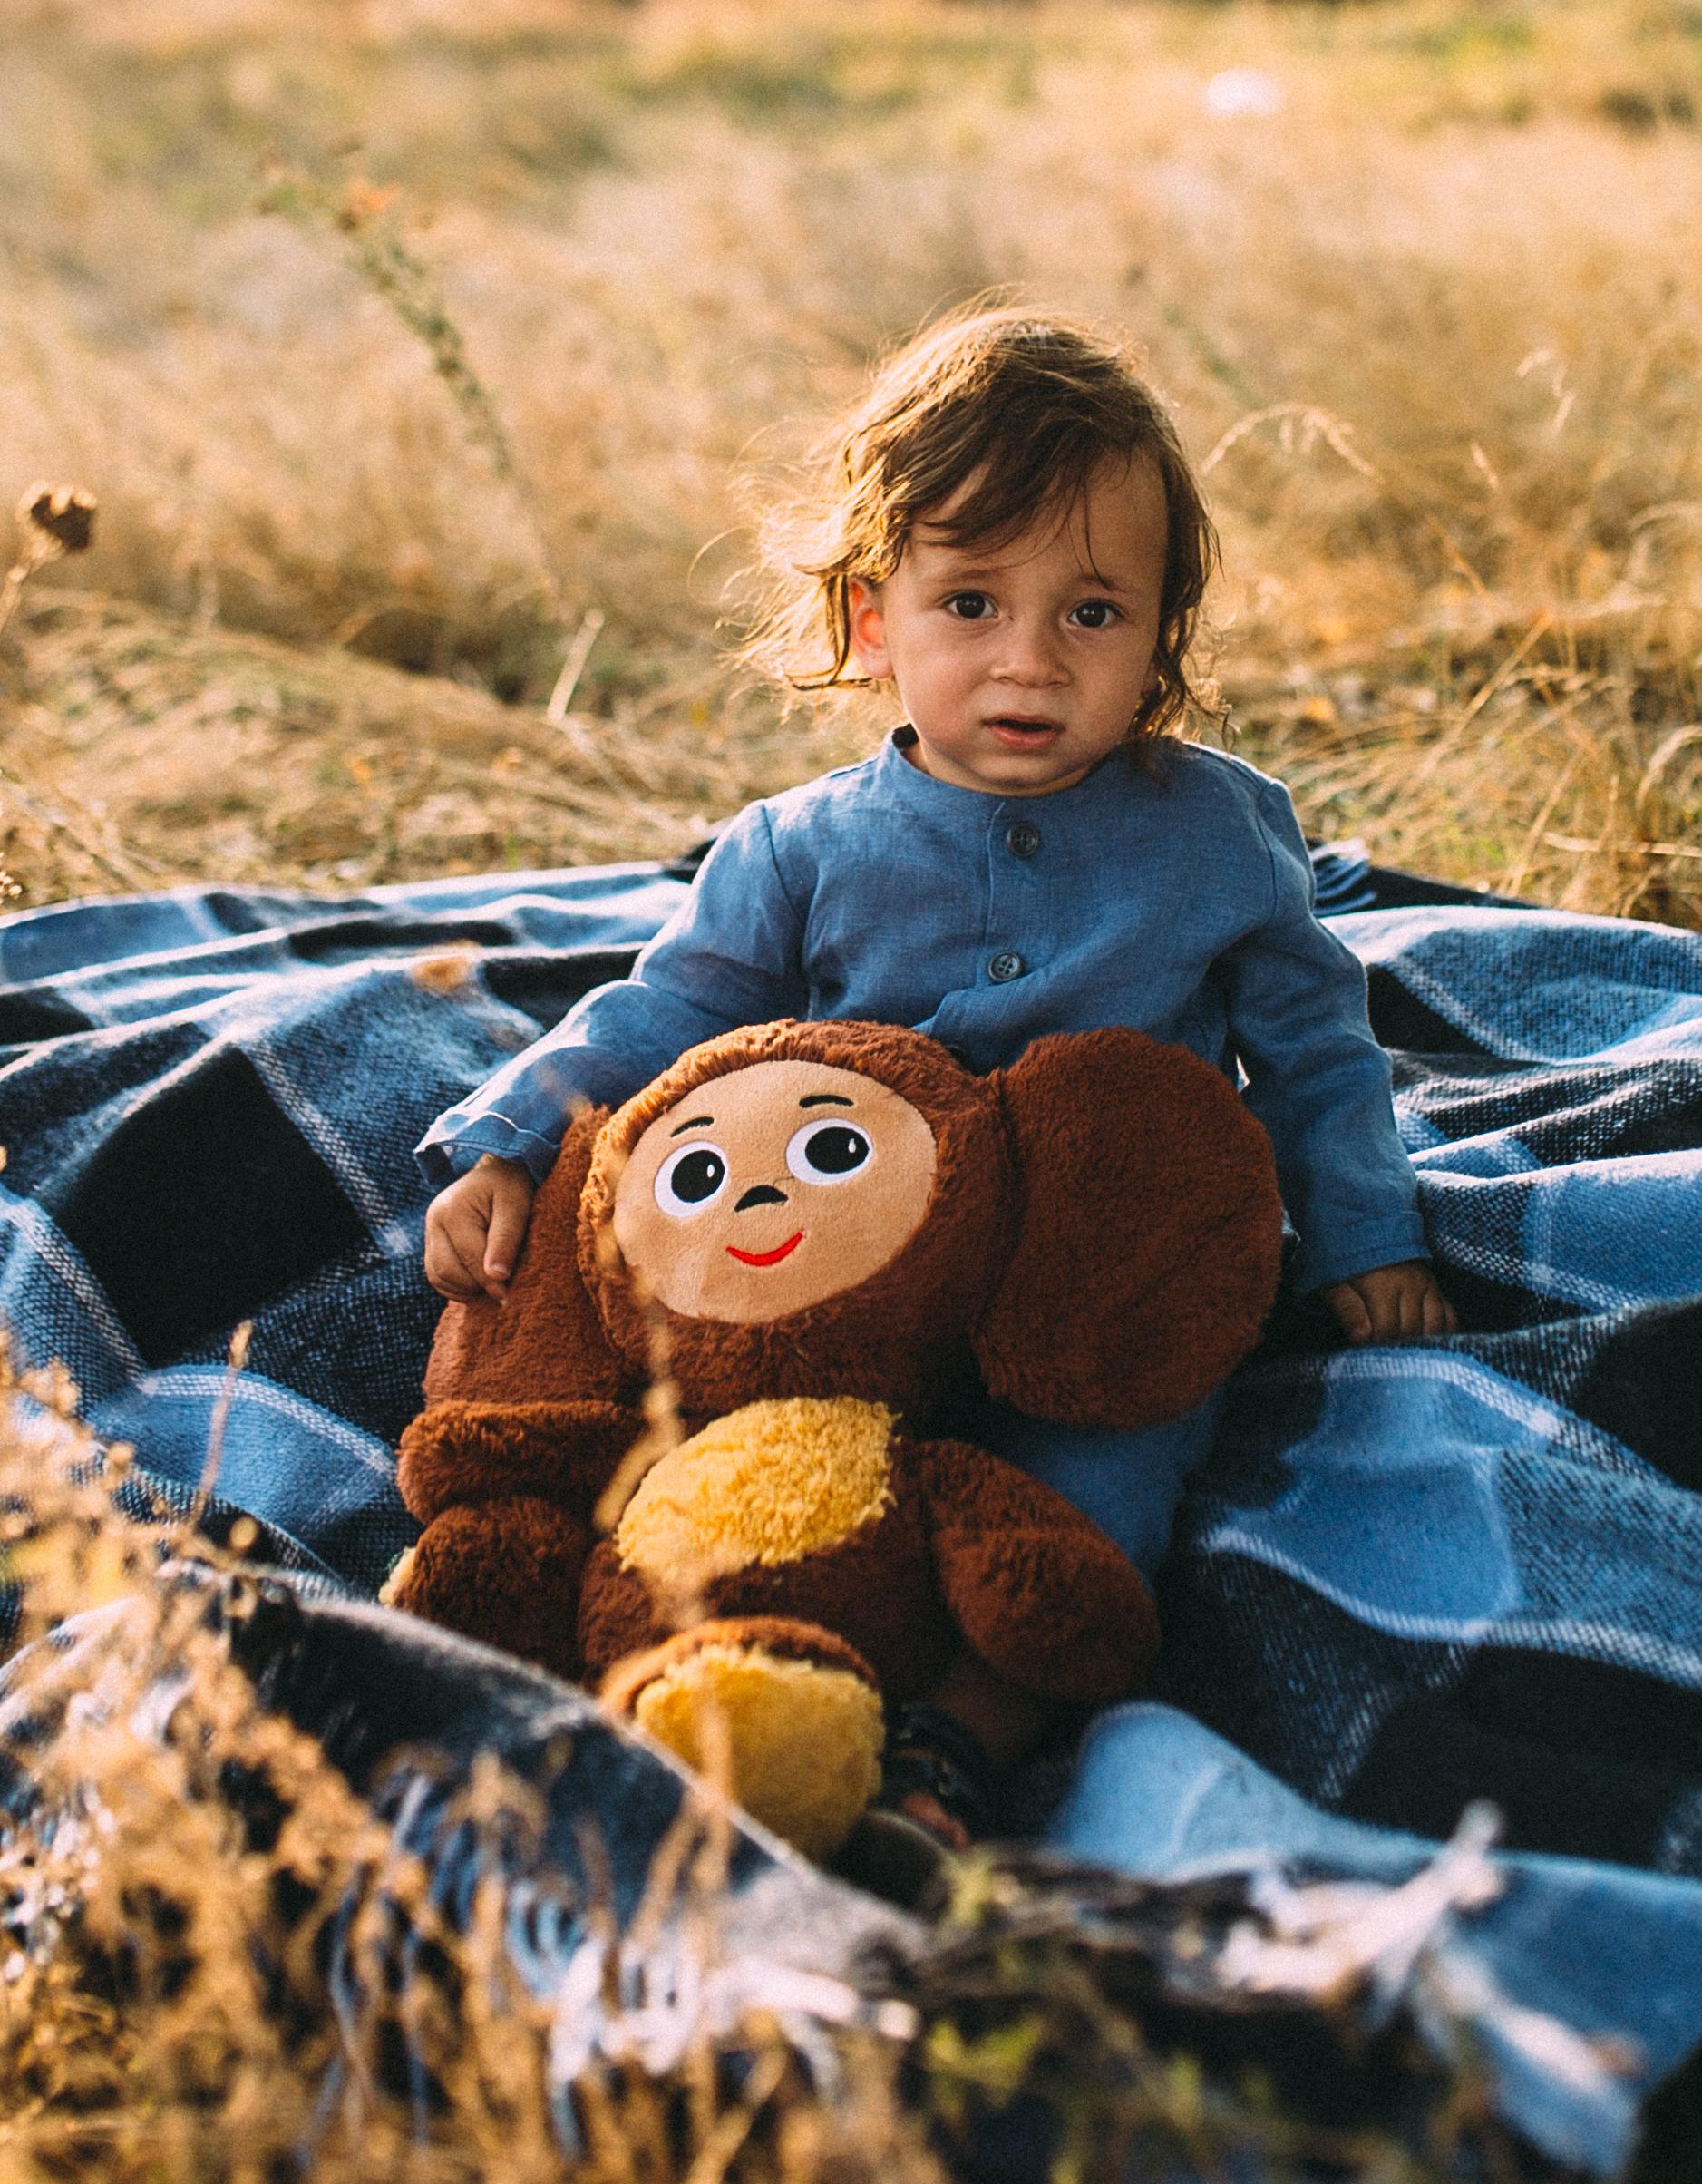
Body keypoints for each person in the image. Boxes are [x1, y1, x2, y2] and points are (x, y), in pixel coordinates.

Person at [420, 305, 1454, 1828]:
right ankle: (696, 1678)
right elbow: (673, 1009)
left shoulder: (1220, 832)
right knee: (716, 1438)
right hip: (848, 1269)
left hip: (1091, 1273)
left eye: (1092, 613)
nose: (1029, 662)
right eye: (970, 603)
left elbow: (1316, 1053)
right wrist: (512, 1136)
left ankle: (966, 1738)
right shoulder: (798, 850)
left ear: (1160, 633)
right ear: (869, 621)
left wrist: (1368, 1240)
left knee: (1102, 1475)